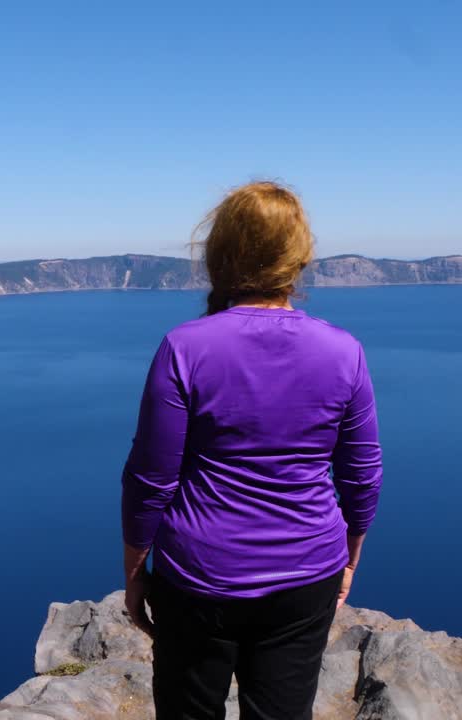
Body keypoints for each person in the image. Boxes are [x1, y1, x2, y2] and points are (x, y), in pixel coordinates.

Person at [120, 181, 384, 720]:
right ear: (300, 258)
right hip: (307, 572)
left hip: (197, 577)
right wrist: (350, 556)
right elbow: (361, 476)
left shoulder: (185, 347)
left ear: (220, 255)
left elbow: (151, 478)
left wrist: (134, 573)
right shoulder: (343, 352)